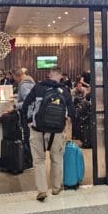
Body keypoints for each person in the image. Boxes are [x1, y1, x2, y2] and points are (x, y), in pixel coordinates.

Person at [21, 67, 74, 202]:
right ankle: (56, 188)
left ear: (49, 75)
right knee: (57, 159)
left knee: (38, 160)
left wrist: (27, 122)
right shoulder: (65, 91)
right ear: (60, 75)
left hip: (38, 129)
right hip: (57, 131)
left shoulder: (38, 87)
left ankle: (42, 190)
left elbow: (26, 104)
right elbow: (72, 113)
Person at [13, 67, 36, 169]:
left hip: (27, 115)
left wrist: (15, 106)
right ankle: (30, 161)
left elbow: (28, 100)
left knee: (26, 138)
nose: (15, 80)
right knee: (29, 138)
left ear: (17, 76)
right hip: (32, 115)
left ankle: (28, 162)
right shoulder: (30, 82)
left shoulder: (24, 84)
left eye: (14, 78)